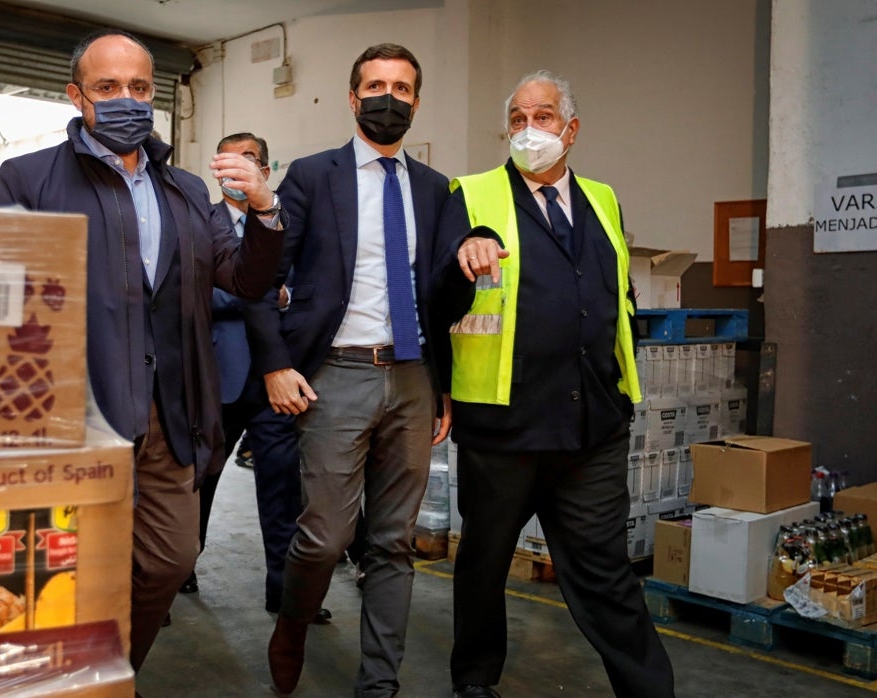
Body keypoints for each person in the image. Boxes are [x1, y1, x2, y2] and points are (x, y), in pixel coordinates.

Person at [0, 30, 284, 673]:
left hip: (168, 412)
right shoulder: (29, 179)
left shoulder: (183, 191)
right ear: (77, 96)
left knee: (171, 558)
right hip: (74, 413)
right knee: (66, 569)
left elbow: (246, 279)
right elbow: (3, 304)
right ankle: (67, 681)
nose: (127, 100)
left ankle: (112, 672)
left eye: (141, 88)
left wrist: (264, 210)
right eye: (108, 88)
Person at [436, 70, 674, 698]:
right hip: (504, 423)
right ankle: (475, 681)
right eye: (517, 119)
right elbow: (437, 293)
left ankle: (650, 690)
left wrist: (620, 390)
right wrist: (465, 256)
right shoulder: (469, 194)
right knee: (485, 562)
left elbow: (614, 292)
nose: (528, 130)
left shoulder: (603, 198)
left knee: (604, 570)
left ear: (570, 130)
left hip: (592, 424)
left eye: (542, 117)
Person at [246, 43, 452, 697]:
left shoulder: (435, 189)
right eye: (375, 85)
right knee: (325, 537)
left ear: (416, 101)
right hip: (336, 375)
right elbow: (259, 280)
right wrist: (275, 365)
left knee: (394, 543)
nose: (388, 96)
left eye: (401, 87)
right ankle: (293, 626)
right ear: (353, 96)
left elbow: (445, 297)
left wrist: (441, 389)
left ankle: (379, 683)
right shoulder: (312, 176)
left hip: (414, 378)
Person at [185, 131, 331, 625]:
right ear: (217, 170)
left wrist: (282, 294)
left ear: (267, 171)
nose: (242, 169)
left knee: (282, 488)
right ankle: (179, 568)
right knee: (200, 481)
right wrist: (271, 294)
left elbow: (307, 287)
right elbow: (200, 296)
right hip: (217, 378)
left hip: (278, 379)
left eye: (253, 160)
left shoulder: (289, 222)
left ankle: (285, 592)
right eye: (232, 161)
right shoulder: (197, 222)